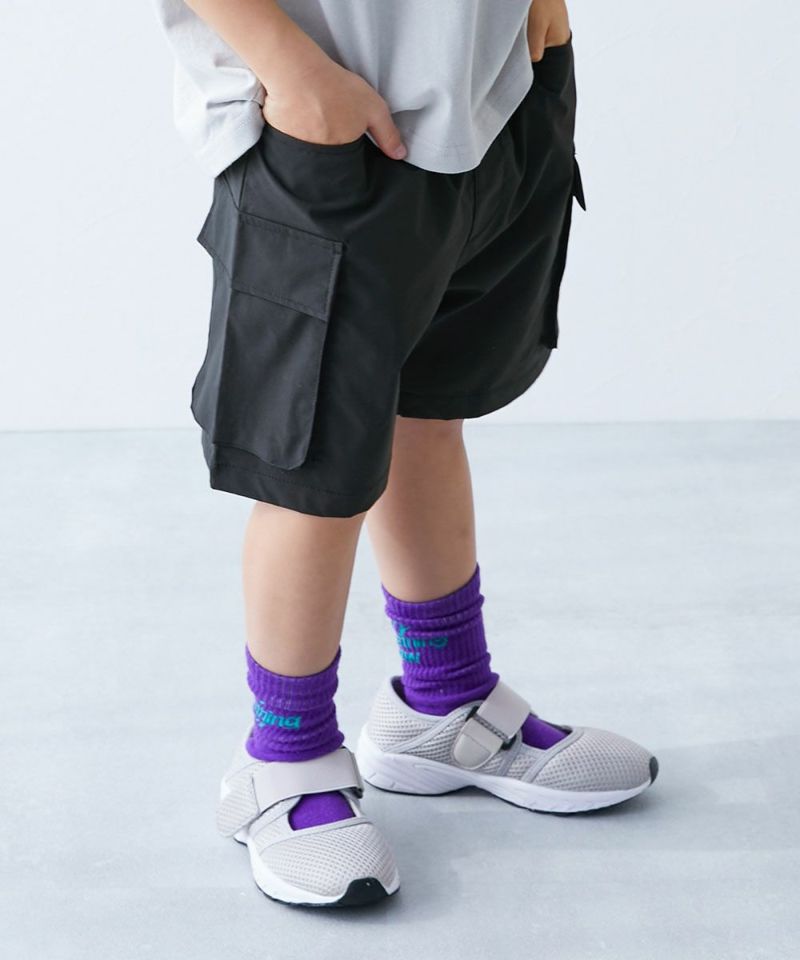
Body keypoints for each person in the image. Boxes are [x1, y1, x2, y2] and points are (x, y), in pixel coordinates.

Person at [152, 0, 658, 908]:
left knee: (428, 411)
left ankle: (444, 701)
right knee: (313, 470)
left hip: (496, 95)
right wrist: (294, 70)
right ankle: (283, 759)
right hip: (326, 118)